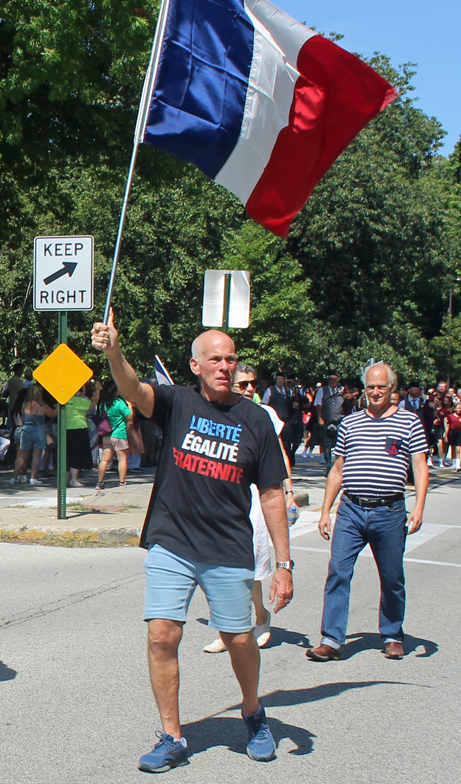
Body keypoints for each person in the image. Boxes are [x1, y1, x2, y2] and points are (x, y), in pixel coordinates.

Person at [91, 315, 293, 770]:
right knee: (162, 633)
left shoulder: (256, 419)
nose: (225, 366)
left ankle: (253, 711)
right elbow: (132, 389)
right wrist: (113, 352)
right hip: (172, 540)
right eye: (215, 359)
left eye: (231, 359)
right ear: (195, 365)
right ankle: (172, 736)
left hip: (227, 547)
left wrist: (283, 562)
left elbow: (274, 494)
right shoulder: (176, 402)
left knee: (239, 639)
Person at [307, 362, 428, 663]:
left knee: (391, 577)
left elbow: (420, 467)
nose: (375, 392)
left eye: (381, 387)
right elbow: (338, 470)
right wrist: (325, 511)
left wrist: (420, 507)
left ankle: (392, 635)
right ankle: (332, 640)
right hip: (351, 510)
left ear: (392, 389)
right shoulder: (351, 423)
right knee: (338, 572)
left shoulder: (409, 423)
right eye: (370, 387)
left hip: (389, 511)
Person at [204, 363, 297, 653]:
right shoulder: (213, 409)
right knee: (215, 565)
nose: (250, 389)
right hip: (220, 497)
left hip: (255, 495)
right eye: (243, 384)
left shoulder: (264, 414)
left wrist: (289, 492)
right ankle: (225, 629)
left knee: (251, 563)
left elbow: (280, 454)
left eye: (252, 383)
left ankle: (260, 617)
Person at [12, 384, 58, 485]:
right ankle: (33, 478)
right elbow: (53, 414)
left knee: (21, 456)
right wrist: (59, 405)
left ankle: (14, 478)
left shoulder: (25, 404)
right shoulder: (42, 405)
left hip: (26, 430)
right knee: (36, 456)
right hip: (38, 431)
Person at [95, 380, 133, 489]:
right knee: (122, 458)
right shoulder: (119, 403)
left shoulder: (103, 404)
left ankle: (100, 483)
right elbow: (129, 416)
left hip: (107, 435)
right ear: (116, 391)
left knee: (105, 460)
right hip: (119, 434)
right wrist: (130, 405)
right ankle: (122, 482)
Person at [66, 382, 101, 486]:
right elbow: (92, 404)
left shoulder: (65, 400)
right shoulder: (79, 400)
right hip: (79, 427)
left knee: (67, 454)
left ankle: (66, 480)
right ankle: (74, 480)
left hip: (66, 428)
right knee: (77, 454)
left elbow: (78, 402)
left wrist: (83, 392)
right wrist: (97, 391)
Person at [262, 371, 295, 466]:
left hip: (286, 420)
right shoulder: (270, 390)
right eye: (278, 380)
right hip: (274, 420)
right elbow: (264, 404)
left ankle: (287, 462)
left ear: (284, 380)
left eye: (281, 380)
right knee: (275, 442)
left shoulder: (289, 392)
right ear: (276, 380)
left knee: (287, 443)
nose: (280, 382)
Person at [315, 371, 344, 474]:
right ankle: (328, 466)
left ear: (338, 380)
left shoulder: (342, 391)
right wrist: (320, 418)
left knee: (339, 445)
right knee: (327, 445)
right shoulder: (322, 391)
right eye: (330, 379)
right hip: (326, 419)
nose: (332, 381)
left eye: (334, 379)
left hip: (339, 420)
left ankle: (338, 466)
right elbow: (318, 405)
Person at [444, 400, 461, 471]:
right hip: (452, 432)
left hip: (459, 432)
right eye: (458, 408)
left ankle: (458, 465)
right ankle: (453, 463)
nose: (459, 410)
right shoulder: (450, 416)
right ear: (454, 408)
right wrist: (446, 434)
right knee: (453, 449)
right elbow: (447, 426)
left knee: (458, 449)